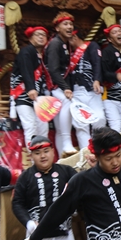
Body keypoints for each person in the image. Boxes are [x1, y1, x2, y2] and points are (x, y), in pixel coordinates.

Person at [10, 25, 52, 146]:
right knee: (30, 125)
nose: (41, 37)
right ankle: (33, 154)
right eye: (37, 34)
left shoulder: (44, 55)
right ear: (30, 38)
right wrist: (31, 88)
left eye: (43, 35)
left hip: (39, 96)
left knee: (43, 126)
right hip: (23, 94)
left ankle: (44, 151)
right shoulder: (26, 51)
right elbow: (26, 70)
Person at [45, 12, 77, 155]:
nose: (69, 27)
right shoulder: (55, 44)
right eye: (65, 24)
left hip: (60, 85)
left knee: (58, 127)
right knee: (67, 103)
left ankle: (61, 157)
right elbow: (53, 69)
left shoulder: (64, 44)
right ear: (57, 28)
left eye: (71, 24)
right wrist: (65, 88)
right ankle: (67, 143)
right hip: (55, 86)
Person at [68, 31, 106, 146]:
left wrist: (97, 79)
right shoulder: (68, 52)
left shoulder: (91, 46)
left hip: (92, 89)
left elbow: (97, 63)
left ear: (74, 37)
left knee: (99, 118)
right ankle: (86, 152)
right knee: (80, 123)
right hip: (76, 92)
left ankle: (99, 147)